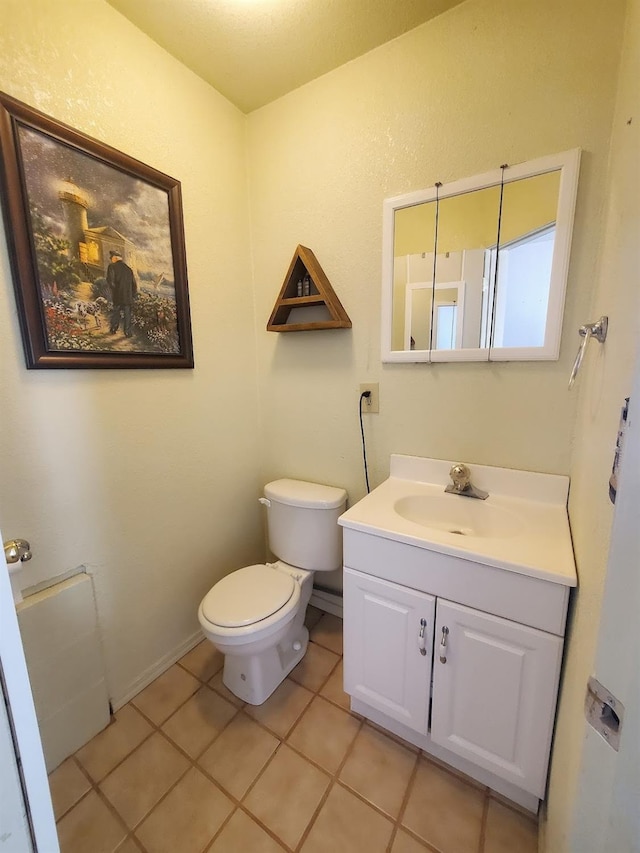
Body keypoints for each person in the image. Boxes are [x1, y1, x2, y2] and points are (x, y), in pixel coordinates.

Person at [106, 250, 137, 336]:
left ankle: (113, 329)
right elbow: (134, 285)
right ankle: (127, 332)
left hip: (118, 295)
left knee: (116, 312)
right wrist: (133, 295)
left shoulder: (112, 266)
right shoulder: (129, 269)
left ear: (115, 258)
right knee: (127, 315)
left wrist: (114, 290)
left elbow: (110, 281)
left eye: (111, 258)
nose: (110, 259)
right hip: (128, 296)